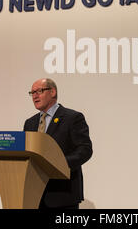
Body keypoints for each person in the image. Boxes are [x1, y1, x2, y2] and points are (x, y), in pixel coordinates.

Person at [24, 78, 93, 209]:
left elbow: (85, 150)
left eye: (39, 91)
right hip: (33, 195)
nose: (34, 96)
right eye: (32, 93)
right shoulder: (30, 122)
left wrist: (59, 164)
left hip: (62, 194)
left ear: (53, 92)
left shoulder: (72, 118)